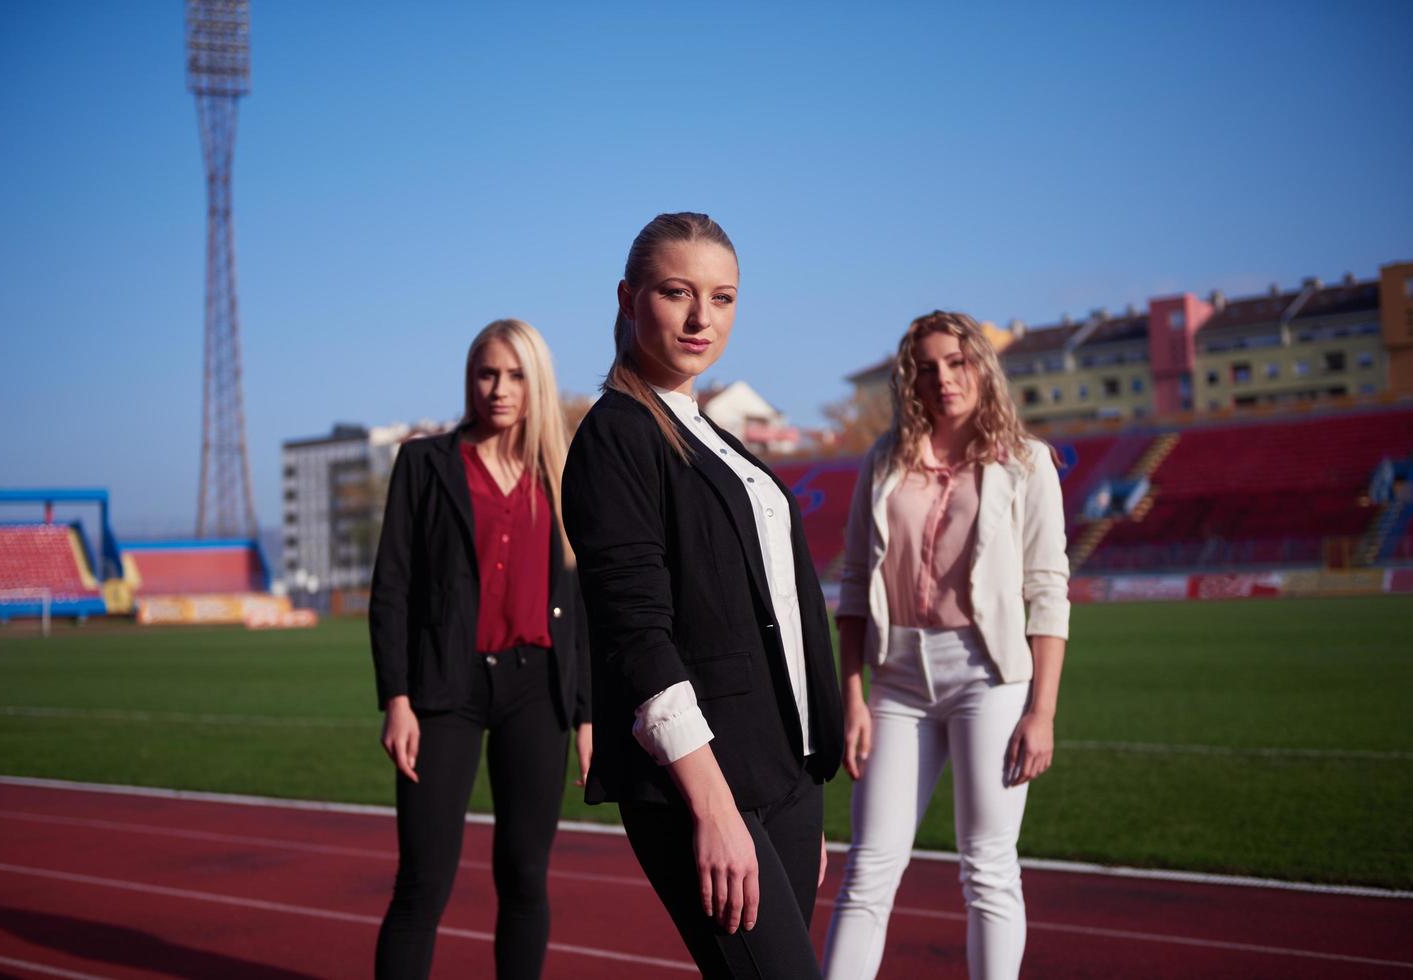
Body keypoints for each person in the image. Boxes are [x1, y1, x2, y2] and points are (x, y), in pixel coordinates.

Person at [562, 212, 844, 979]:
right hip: (707, 786)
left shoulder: (708, 429)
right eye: (676, 293)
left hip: (782, 773)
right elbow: (635, 633)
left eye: (722, 298)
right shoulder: (616, 436)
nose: (700, 318)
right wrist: (714, 810)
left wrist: (799, 786)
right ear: (627, 298)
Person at [821, 311, 1070, 980]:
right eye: (927, 367)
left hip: (986, 676)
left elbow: (1048, 591)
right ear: (911, 378)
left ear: (979, 369)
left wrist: (1039, 712)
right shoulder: (883, 459)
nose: (943, 378)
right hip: (895, 679)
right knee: (868, 868)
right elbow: (850, 586)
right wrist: (853, 697)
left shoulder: (1025, 463)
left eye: (957, 362)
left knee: (987, 867)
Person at [369, 318, 591, 980]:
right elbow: (392, 590)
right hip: (445, 688)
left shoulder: (562, 472)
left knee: (525, 876)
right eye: (486, 373)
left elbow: (581, 605)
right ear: (470, 379)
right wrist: (396, 699)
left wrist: (584, 713)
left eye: (515, 375)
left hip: (537, 687)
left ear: (537, 384)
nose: (499, 388)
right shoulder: (424, 463)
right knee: (423, 880)